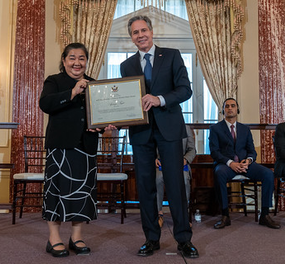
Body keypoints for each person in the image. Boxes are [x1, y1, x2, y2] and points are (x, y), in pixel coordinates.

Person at [120, 15, 199, 258]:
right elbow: (125, 101)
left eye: (144, 30)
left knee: (175, 186)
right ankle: (151, 239)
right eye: (135, 32)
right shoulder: (126, 66)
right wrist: (114, 118)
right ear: (131, 37)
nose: (140, 35)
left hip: (170, 130)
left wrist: (159, 99)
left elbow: (185, 89)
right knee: (145, 188)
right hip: (141, 133)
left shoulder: (172, 55)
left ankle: (184, 239)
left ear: (152, 32)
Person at [39, 43, 116, 258]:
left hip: (86, 147)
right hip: (60, 146)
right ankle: (54, 238)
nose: (77, 62)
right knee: (56, 192)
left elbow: (98, 116)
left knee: (83, 193)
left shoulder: (94, 84)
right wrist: (73, 91)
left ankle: (76, 236)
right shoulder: (54, 81)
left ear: (86, 61)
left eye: (81, 58)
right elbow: (45, 104)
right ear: (64, 61)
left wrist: (103, 125)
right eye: (72, 58)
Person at [209, 98, 280, 229]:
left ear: (237, 109)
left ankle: (264, 215)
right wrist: (231, 163)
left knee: (268, 174)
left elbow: (252, 151)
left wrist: (248, 161)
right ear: (223, 110)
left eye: (233, 106)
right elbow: (214, 152)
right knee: (219, 174)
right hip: (226, 165)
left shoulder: (245, 129)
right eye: (227, 106)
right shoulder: (215, 128)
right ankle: (225, 215)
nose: (230, 108)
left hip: (245, 165)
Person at [156, 125, 196, 227]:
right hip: (162, 164)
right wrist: (154, 158)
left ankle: (183, 215)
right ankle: (158, 213)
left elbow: (192, 150)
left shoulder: (186, 128)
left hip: (180, 164)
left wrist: (186, 159)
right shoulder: (158, 127)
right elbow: (151, 147)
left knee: (184, 178)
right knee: (158, 178)